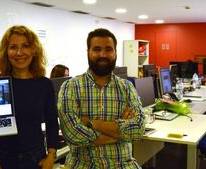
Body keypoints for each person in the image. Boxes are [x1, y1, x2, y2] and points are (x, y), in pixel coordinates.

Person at [58, 28, 146, 169]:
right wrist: (119, 132)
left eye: (108, 49)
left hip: (123, 165)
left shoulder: (127, 87)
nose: (103, 54)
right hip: (82, 165)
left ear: (115, 53)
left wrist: (93, 123)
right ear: (88, 52)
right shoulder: (70, 87)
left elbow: (138, 130)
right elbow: (72, 134)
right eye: (97, 49)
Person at [0, 25, 59, 169]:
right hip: (2, 158)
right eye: (13, 47)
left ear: (34, 50)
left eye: (26, 46)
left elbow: (52, 122)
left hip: (35, 157)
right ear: (6, 52)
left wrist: (51, 156)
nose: (19, 53)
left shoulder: (44, 84)